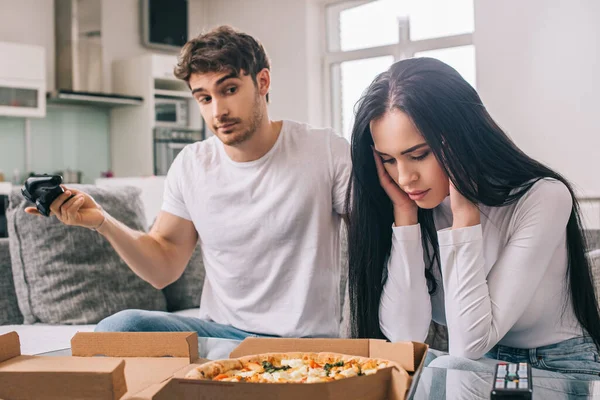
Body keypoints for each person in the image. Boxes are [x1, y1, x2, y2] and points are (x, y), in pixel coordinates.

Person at [26, 26, 351, 340]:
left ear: (262, 81)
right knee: (121, 328)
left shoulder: (323, 150)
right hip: (223, 335)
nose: (218, 110)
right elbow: (163, 267)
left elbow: (377, 239)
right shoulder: (192, 164)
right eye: (204, 98)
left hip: (302, 341)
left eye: (230, 90)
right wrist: (103, 222)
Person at [345, 57, 600, 378]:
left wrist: (464, 219)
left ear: (460, 139)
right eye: (389, 161)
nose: (405, 177)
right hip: (480, 366)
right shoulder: (416, 205)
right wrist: (405, 219)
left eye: (418, 155)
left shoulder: (543, 197)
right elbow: (404, 338)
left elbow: (468, 344)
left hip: (559, 365)